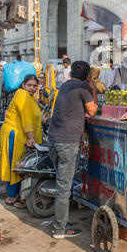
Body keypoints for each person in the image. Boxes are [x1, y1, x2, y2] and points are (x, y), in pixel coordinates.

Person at [48, 61, 98, 239]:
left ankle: (60, 221)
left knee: (61, 184)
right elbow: (92, 111)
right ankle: (60, 229)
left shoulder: (64, 85)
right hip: (67, 143)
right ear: (87, 75)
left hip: (53, 140)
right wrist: (92, 87)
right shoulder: (83, 86)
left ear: (70, 73)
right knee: (64, 187)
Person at [0, 75, 43, 209]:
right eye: (29, 85)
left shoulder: (30, 98)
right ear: (23, 85)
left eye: (34, 86)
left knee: (19, 164)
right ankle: (11, 197)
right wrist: (31, 138)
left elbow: (34, 116)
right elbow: (26, 119)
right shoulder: (22, 95)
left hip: (20, 134)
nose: (32, 88)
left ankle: (16, 195)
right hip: (15, 134)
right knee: (15, 165)